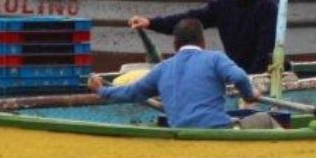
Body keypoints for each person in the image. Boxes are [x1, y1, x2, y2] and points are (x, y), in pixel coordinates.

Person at [88, 17, 258, 129]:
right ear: (203, 42)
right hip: (216, 130)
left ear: (175, 44)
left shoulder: (162, 68)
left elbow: (131, 93)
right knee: (265, 119)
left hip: (180, 133)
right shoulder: (215, 58)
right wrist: (249, 95)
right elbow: (239, 77)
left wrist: (101, 90)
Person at [127, 0, 277, 74]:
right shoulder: (221, 6)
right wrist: (150, 23)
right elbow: (186, 20)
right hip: (237, 73)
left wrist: (250, 80)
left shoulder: (267, 7)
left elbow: (265, 50)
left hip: (264, 75)